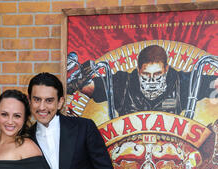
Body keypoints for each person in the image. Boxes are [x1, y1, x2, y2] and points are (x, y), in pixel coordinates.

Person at [67, 44, 218, 116]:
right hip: (129, 153)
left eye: (157, 74)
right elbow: (90, 88)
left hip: (169, 155)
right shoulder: (123, 83)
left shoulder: (181, 83)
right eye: (146, 74)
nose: (152, 80)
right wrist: (77, 78)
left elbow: (213, 84)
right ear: (138, 70)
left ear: (166, 69)